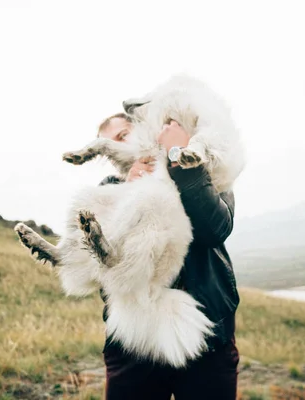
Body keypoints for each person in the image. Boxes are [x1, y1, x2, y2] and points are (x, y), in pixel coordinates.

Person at [96, 113, 240, 400]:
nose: (118, 148)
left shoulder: (209, 166)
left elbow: (215, 229)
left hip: (207, 336)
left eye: (124, 135)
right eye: (108, 146)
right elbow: (105, 267)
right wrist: (131, 190)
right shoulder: (107, 190)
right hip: (136, 342)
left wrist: (179, 159)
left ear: (147, 130)